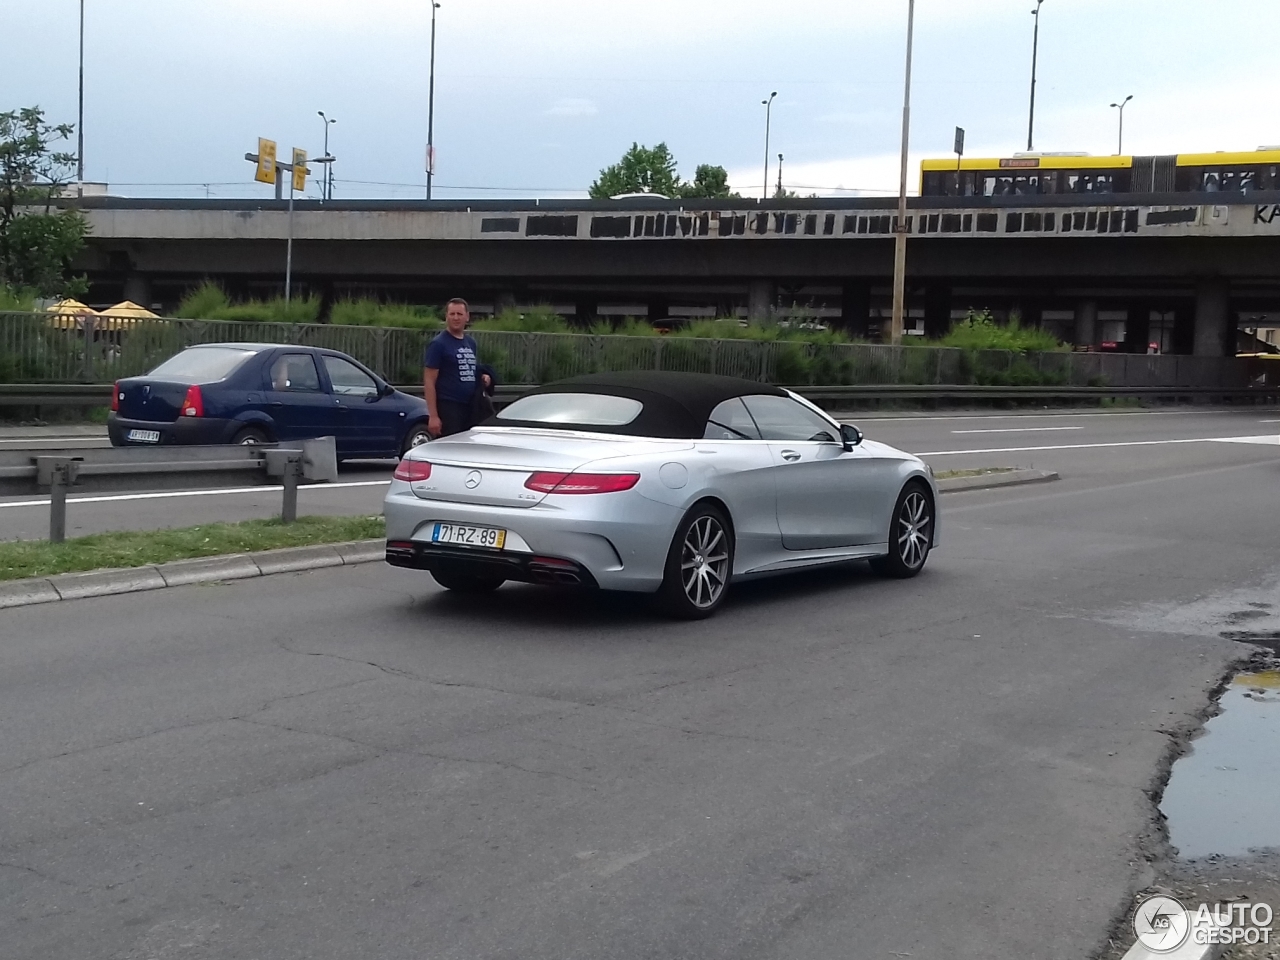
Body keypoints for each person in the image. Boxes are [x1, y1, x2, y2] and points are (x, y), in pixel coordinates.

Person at [423, 298, 495, 438]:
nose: (456, 318)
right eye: (452, 314)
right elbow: (429, 381)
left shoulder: (470, 343)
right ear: (446, 316)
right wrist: (433, 416)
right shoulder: (439, 344)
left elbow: (466, 369)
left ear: (467, 317)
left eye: (459, 314)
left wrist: (482, 377)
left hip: (470, 406)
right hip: (449, 406)